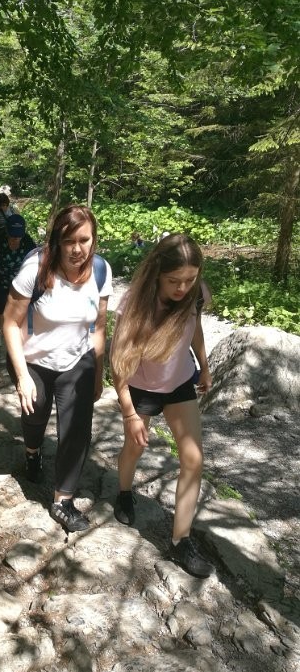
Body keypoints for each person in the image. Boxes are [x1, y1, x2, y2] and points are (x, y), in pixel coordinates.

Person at [110, 233, 214, 578]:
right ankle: (125, 492)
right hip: (141, 387)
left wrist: (204, 364)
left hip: (179, 383)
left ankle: (180, 540)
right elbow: (118, 363)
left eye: (190, 279)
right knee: (134, 448)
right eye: (174, 281)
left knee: (193, 460)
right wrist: (130, 414)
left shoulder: (195, 294)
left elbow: (194, 326)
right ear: (157, 272)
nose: (182, 287)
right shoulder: (135, 303)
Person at [3, 205, 113, 532]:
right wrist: (22, 377)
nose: (77, 249)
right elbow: (10, 323)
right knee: (35, 415)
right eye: (69, 241)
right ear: (57, 241)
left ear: (93, 240)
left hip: (77, 359)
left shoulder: (101, 271)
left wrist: (98, 372)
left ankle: (62, 501)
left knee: (77, 430)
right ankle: (32, 451)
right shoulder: (35, 270)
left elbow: (99, 326)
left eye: (84, 240)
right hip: (33, 359)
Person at [0, 214, 35, 347]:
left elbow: (37, 264)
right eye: (12, 235)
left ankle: (18, 334)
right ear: (7, 231)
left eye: (18, 235)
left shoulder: (28, 243)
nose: (15, 238)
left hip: (20, 283)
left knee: (20, 310)